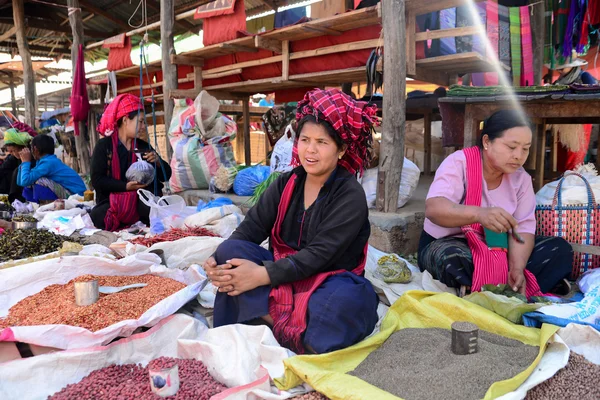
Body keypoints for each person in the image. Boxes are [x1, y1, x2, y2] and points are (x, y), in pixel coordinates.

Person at [204, 88, 379, 354]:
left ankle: (269, 320)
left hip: (327, 280)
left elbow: (318, 256)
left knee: (344, 303)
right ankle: (289, 327)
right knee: (230, 252)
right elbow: (248, 231)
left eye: (322, 142)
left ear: (341, 149)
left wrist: (260, 275)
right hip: (282, 276)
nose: (310, 150)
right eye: (305, 139)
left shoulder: (350, 195)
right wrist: (216, 260)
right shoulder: (286, 183)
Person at [419, 110, 573, 297]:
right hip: (455, 244)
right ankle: (502, 288)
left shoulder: (521, 179)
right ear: (486, 142)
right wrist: (479, 214)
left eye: (525, 148)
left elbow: (523, 230)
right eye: (511, 147)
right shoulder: (459, 164)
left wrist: (517, 268)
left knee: (559, 250)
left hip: (499, 248)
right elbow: (434, 208)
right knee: (452, 259)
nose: (519, 155)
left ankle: (499, 284)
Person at [90, 94, 172, 231]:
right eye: (140, 122)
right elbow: (97, 180)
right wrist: (126, 187)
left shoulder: (142, 146)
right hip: (114, 202)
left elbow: (166, 176)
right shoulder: (104, 146)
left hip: (140, 202)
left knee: (153, 206)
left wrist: (158, 162)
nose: (143, 126)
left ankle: (132, 219)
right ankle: (130, 219)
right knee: (97, 215)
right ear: (125, 119)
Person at [17, 135, 86, 202]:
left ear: (35, 149)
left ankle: (46, 205)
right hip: (72, 193)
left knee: (40, 180)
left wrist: (26, 162)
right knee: (31, 180)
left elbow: (25, 180)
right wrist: (23, 163)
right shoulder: (46, 161)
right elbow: (21, 182)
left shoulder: (48, 163)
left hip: (76, 196)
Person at [3, 128, 33, 203]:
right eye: (10, 152)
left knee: (16, 171)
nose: (12, 154)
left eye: (13, 151)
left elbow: (25, 180)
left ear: (22, 147)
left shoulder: (32, 156)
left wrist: (25, 162)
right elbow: (3, 168)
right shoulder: (13, 157)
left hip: (30, 191)